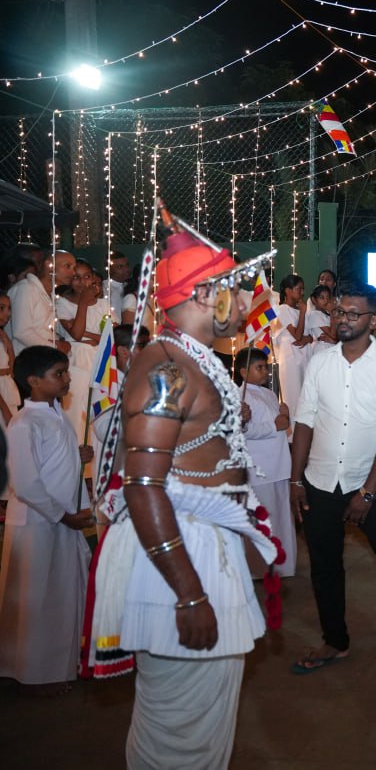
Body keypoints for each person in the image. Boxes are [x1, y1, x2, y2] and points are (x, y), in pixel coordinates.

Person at [81, 213, 284, 769]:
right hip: (176, 558)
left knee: (202, 719)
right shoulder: (166, 367)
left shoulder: (193, 361)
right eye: (236, 287)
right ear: (204, 294)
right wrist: (189, 594)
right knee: (180, 732)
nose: (246, 299)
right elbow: (143, 486)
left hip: (195, 544)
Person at [289, 284, 376, 672]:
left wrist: (369, 492)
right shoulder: (321, 363)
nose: (341, 319)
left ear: (373, 321)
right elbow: (305, 421)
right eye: (338, 312)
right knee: (325, 569)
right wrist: (295, 481)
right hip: (320, 483)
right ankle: (335, 641)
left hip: (369, 486)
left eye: (351, 313)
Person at [0, 346, 94, 695]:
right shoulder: (25, 423)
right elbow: (24, 482)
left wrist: (78, 454)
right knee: (37, 600)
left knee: (60, 594)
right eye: (59, 374)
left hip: (60, 518)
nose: (67, 379)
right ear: (33, 382)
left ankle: (58, 665)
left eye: (66, 372)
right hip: (40, 522)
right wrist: (62, 515)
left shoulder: (56, 415)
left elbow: (56, 463)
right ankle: (34, 675)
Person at [235, 347, 296, 578]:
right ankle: (259, 568)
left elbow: (280, 424)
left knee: (281, 517)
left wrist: (284, 416)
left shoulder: (269, 394)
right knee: (263, 517)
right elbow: (245, 430)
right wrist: (275, 425)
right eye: (259, 368)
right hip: (260, 467)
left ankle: (282, 565)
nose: (265, 372)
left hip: (279, 464)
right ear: (243, 372)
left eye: (265, 367)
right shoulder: (239, 396)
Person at [55, 260, 111, 439]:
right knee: (77, 410)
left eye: (87, 277)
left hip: (101, 356)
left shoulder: (103, 304)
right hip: (78, 358)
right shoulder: (63, 304)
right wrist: (83, 304)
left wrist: (90, 335)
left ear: (93, 278)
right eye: (76, 278)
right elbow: (77, 336)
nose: (82, 282)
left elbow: (110, 335)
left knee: (100, 407)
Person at [7, 251, 74, 355]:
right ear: (49, 265)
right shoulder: (26, 289)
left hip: (47, 358)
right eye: (67, 266)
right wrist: (55, 347)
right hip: (27, 359)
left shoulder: (51, 294)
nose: (73, 273)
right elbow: (21, 332)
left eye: (73, 268)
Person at [274, 274, 311, 427]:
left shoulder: (300, 310)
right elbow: (296, 334)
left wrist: (307, 339)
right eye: (299, 289)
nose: (302, 293)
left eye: (303, 289)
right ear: (288, 291)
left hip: (303, 358)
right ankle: (291, 435)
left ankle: (302, 431)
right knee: (292, 394)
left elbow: (309, 336)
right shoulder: (282, 309)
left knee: (303, 395)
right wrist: (302, 313)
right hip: (290, 359)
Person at [304, 284, 336, 360]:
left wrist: (334, 340)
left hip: (331, 349)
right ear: (314, 300)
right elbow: (333, 334)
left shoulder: (328, 315)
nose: (326, 300)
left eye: (327, 297)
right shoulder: (315, 314)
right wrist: (332, 312)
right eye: (322, 298)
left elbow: (336, 335)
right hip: (322, 350)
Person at [0, 294, 19, 424]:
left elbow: (12, 369)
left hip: (7, 388)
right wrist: (4, 409)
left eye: (9, 309)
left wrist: (9, 344)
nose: (7, 314)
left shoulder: (3, 335)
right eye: (1, 308)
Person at [107, 250, 139, 325]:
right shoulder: (105, 288)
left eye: (127, 265)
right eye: (120, 267)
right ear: (109, 269)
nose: (126, 269)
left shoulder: (132, 286)